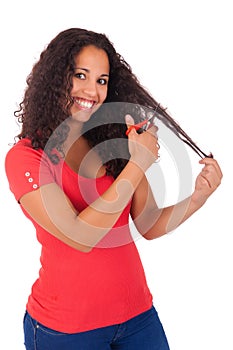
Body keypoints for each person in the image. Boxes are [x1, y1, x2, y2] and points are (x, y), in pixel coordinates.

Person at [5, 28, 222, 350]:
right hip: (67, 330)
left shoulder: (112, 144)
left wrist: (198, 197)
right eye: (80, 75)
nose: (92, 90)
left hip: (138, 317)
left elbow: (148, 225)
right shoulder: (26, 157)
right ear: (54, 79)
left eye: (102, 80)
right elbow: (81, 237)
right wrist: (138, 164)